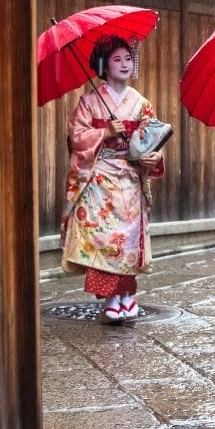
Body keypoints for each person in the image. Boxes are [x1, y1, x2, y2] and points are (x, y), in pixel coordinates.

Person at [61, 35, 165, 324]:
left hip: (130, 177)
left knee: (128, 242)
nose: (123, 63)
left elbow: (153, 140)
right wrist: (104, 133)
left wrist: (153, 157)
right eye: (116, 59)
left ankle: (127, 297)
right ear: (104, 65)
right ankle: (110, 299)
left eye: (127, 59)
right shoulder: (89, 101)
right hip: (99, 179)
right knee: (104, 239)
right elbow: (76, 137)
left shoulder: (141, 104)